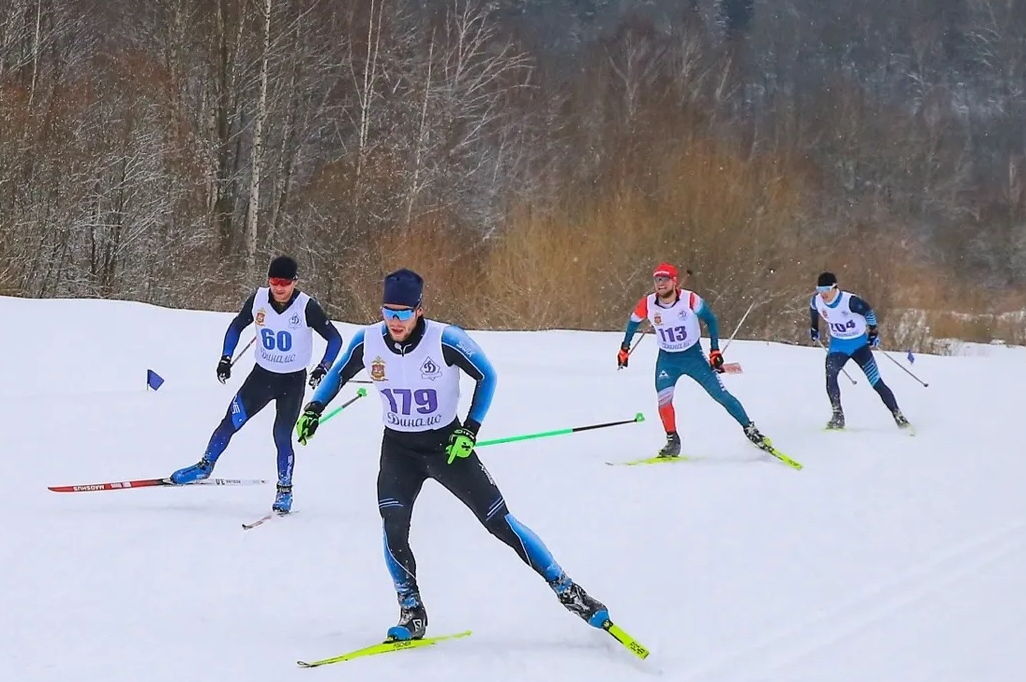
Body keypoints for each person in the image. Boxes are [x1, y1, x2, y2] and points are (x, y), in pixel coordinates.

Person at [296, 268, 616, 643]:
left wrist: (470, 429)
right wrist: (315, 407)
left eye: (403, 312)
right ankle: (411, 610)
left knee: (500, 522)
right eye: (388, 311)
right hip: (399, 450)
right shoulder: (367, 341)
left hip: (447, 446)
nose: (395, 321)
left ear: (419, 309)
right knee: (393, 527)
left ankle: (568, 590)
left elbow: (488, 376)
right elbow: (337, 374)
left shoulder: (446, 339)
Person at [170, 256, 341, 515]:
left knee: (281, 436)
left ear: (295, 282)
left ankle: (285, 490)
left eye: (285, 283)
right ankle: (205, 466)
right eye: (274, 282)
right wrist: (226, 357)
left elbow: (335, 339)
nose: (279, 288)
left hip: (292, 382)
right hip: (261, 378)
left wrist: (323, 367)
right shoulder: (259, 299)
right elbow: (237, 326)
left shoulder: (306, 307)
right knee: (230, 421)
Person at [617, 262, 772, 459]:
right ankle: (673, 441)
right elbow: (633, 323)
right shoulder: (648, 303)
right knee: (664, 400)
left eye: (664, 279)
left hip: (693, 356)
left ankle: (750, 429)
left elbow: (711, 319)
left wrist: (714, 351)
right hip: (667, 359)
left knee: (721, 395)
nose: (660, 284)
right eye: (657, 280)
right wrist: (624, 349)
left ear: (674, 281)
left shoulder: (690, 299)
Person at [809, 271, 909, 430]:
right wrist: (814, 328)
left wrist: (874, 332)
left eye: (826, 289)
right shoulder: (817, 300)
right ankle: (838, 416)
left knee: (876, 382)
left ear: (835, 287)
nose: (823, 294)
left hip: (859, 346)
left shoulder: (850, 302)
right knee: (831, 376)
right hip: (838, 347)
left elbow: (868, 312)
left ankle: (898, 415)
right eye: (820, 290)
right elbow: (813, 309)